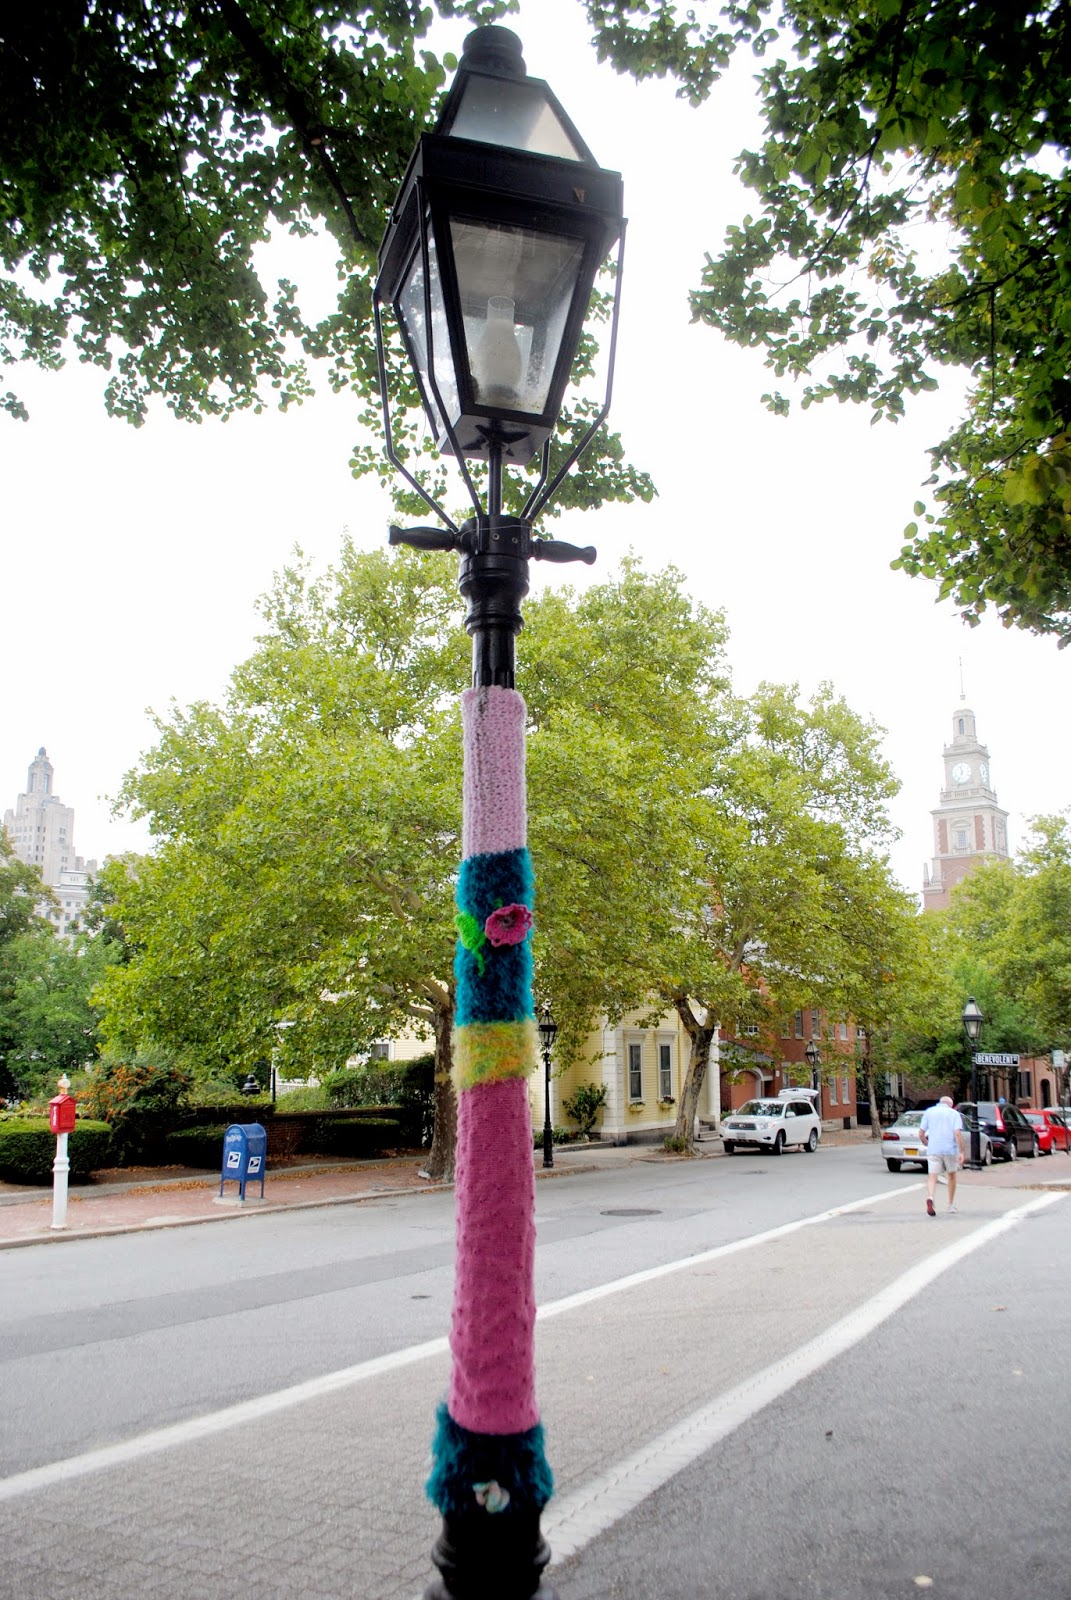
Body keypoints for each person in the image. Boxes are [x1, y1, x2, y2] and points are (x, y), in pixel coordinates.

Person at [919, 1095, 966, 1216]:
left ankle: (930, 1196)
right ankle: (950, 1204)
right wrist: (961, 1151)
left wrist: (926, 1142)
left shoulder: (929, 1112)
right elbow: (957, 1133)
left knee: (932, 1176)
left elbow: (921, 1133)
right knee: (952, 1175)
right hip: (950, 1149)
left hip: (934, 1149)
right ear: (950, 1105)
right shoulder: (954, 1114)